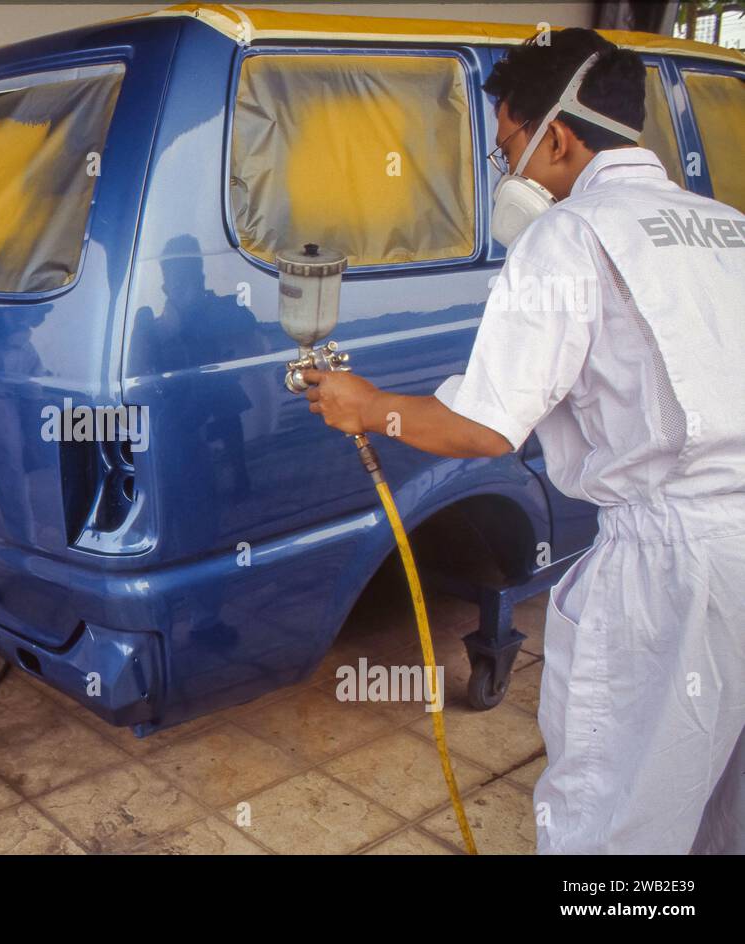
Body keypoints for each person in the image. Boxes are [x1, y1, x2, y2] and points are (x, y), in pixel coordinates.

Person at [301, 29, 745, 854]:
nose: (510, 173)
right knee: (721, 798)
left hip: (674, 569)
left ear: (561, 137)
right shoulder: (724, 226)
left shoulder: (570, 236)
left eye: (510, 146)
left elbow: (485, 426)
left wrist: (367, 407)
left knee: (620, 810)